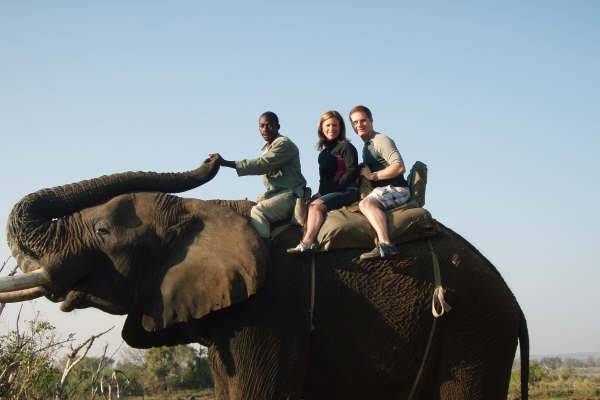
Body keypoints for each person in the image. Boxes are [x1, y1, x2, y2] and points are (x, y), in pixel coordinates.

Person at [211, 111, 306, 239]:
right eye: (262, 126)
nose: (265, 129)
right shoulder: (268, 147)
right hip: (275, 195)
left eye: (269, 125)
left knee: (258, 211)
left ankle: (263, 248)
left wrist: (226, 163)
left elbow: (262, 164)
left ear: (278, 126)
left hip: (290, 195)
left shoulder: (284, 144)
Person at [287, 110, 359, 254]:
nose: (331, 129)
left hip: (347, 191)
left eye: (335, 125)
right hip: (331, 191)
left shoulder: (346, 147)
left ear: (341, 128)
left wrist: (335, 188)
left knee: (315, 207)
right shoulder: (323, 154)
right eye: (327, 125)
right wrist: (320, 193)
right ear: (321, 128)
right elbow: (323, 178)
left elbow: (352, 171)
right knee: (306, 206)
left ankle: (307, 243)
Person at [350, 105, 410, 260]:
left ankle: (385, 244)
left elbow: (399, 167)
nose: (359, 125)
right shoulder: (367, 145)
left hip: (397, 189)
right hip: (383, 190)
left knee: (366, 204)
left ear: (371, 120)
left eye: (363, 121)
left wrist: (373, 177)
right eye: (355, 123)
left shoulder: (381, 140)